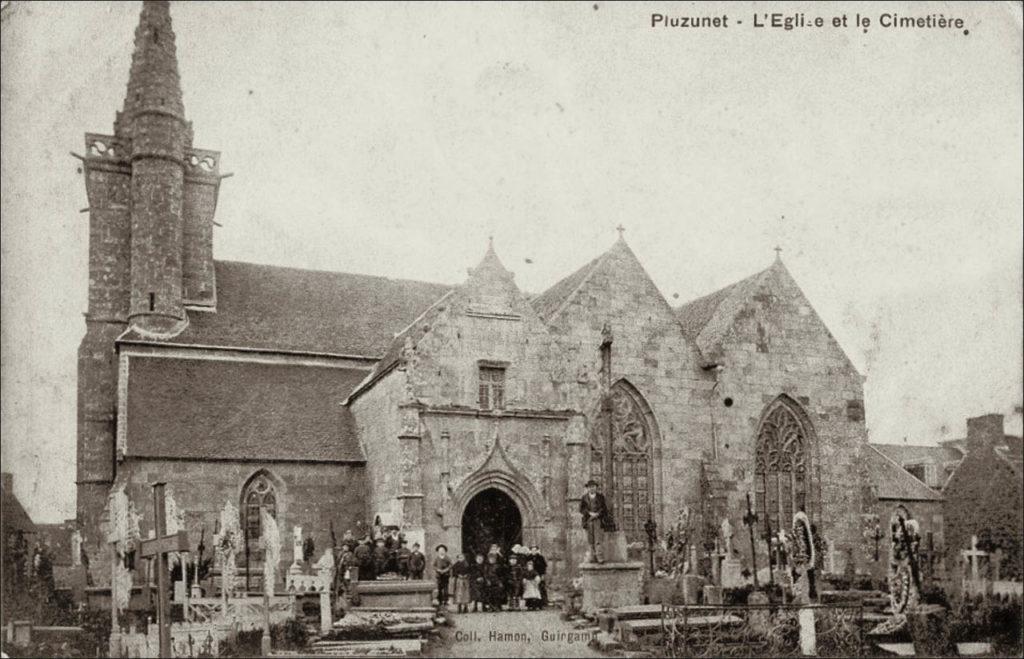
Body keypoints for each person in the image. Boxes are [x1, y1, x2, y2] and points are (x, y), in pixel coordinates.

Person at [579, 478, 613, 563]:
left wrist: (598, 514)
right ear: (588, 488)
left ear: (596, 488)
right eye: (590, 487)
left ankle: (599, 557)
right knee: (590, 540)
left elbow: (604, 509)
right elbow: (581, 509)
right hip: (588, 521)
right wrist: (589, 513)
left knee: (598, 539)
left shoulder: (600, 497)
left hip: (598, 520)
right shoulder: (584, 498)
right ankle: (592, 557)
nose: (592, 488)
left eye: (593, 487)